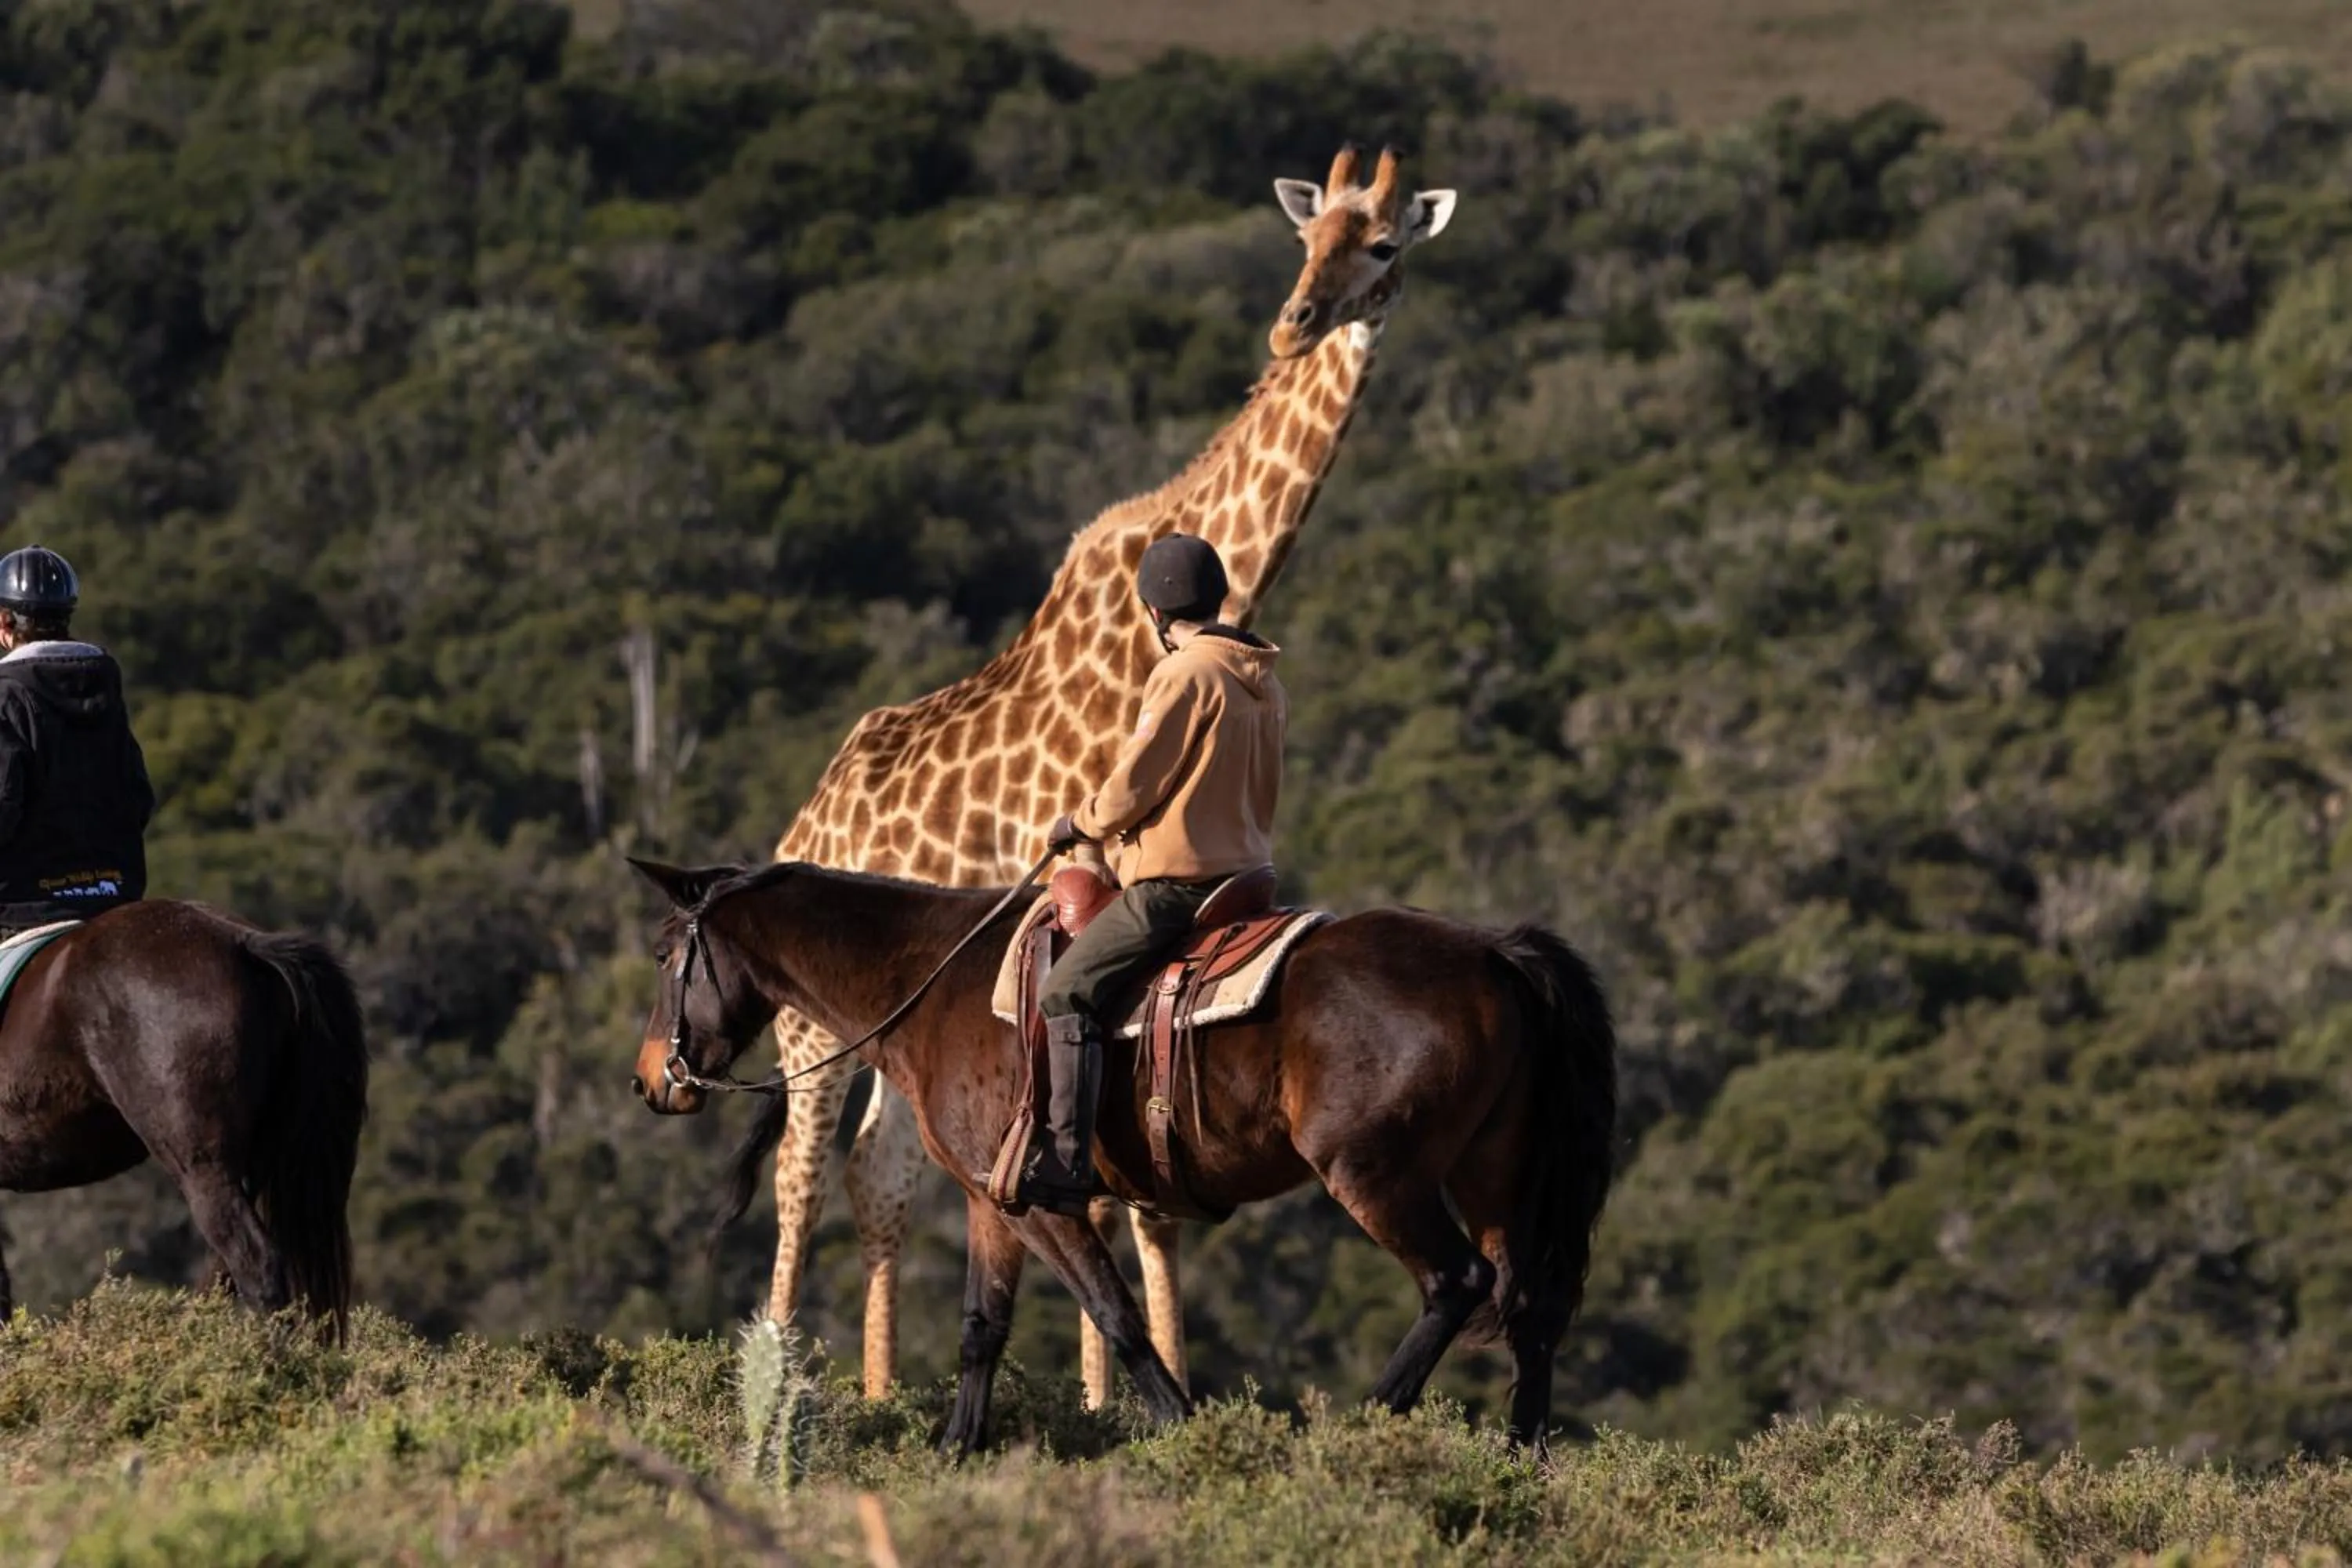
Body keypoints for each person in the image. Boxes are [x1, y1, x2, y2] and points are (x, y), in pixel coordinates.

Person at [1012, 533, 1287, 1216]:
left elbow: (1137, 784)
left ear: (1156, 613)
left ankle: (1067, 1161)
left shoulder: (1186, 674)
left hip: (1177, 887)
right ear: (1216, 597)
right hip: (1248, 878)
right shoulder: (1263, 676)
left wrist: (1080, 823)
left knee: (1066, 990)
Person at [0, 546, 154, 937]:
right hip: (115, 894)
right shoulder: (107, 689)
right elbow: (139, 798)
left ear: (4, 621)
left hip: (24, 907)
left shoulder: (6, 696)